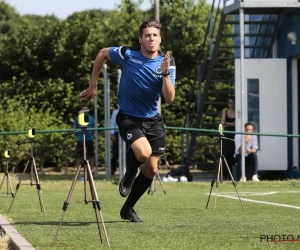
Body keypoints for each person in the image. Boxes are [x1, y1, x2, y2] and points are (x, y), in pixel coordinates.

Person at [80, 20, 176, 222]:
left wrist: (166, 72)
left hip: (153, 120)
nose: (151, 38)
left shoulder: (168, 61)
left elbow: (169, 98)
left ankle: (128, 209)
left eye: (155, 35)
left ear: (160, 39)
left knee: (151, 169)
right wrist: (93, 84)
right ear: (140, 39)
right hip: (129, 117)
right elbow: (102, 53)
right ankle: (130, 173)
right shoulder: (127, 55)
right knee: (143, 152)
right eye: (147, 35)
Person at [73, 105, 95, 172]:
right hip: (80, 139)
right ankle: (78, 170)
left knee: (91, 154)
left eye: (86, 110)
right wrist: (79, 135)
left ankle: (92, 169)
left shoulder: (91, 118)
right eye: (83, 110)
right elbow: (74, 129)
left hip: (89, 139)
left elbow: (94, 129)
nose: (85, 111)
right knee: (80, 155)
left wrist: (90, 134)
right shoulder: (77, 118)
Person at [221, 96, 235, 179]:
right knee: (225, 153)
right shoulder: (225, 112)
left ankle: (232, 173)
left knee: (232, 153)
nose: (231, 105)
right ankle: (224, 173)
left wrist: (227, 123)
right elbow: (222, 123)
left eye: (233, 103)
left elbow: (237, 123)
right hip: (227, 135)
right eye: (230, 103)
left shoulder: (237, 112)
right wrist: (228, 123)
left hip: (234, 135)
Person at [110, 108, 119, 176]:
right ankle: (113, 170)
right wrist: (112, 133)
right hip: (118, 133)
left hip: (127, 132)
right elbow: (113, 122)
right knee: (115, 152)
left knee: (129, 152)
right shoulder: (116, 112)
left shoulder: (130, 108)